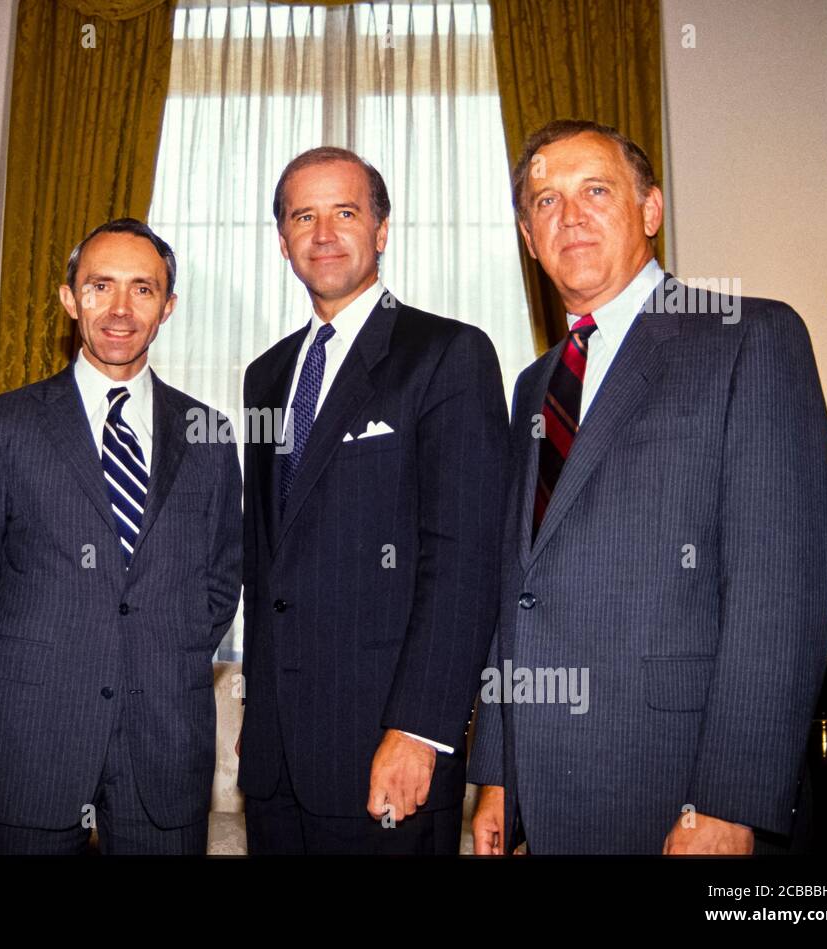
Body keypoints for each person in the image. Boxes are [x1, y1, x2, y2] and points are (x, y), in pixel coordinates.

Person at [467, 119, 827, 854]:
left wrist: (729, 800)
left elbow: (779, 592)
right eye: (544, 201)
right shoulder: (531, 387)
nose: (568, 216)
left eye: (595, 190)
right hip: (541, 787)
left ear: (651, 210)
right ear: (526, 235)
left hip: (674, 786)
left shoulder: (748, 338)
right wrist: (498, 772)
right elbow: (518, 586)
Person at [238, 147, 509, 854]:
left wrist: (420, 728)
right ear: (283, 240)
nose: (323, 232)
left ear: (382, 230)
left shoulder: (449, 354)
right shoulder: (265, 376)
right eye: (304, 215)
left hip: (387, 750)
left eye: (346, 212)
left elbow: (467, 560)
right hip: (274, 762)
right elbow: (268, 558)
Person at [0, 219, 242, 855]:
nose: (119, 309)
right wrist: (21, 673)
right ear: (67, 298)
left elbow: (221, 581)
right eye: (99, 286)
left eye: (142, 289)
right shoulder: (3, 425)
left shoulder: (209, 435)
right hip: (30, 741)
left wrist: (163, 653)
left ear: (168, 306)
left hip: (164, 744)